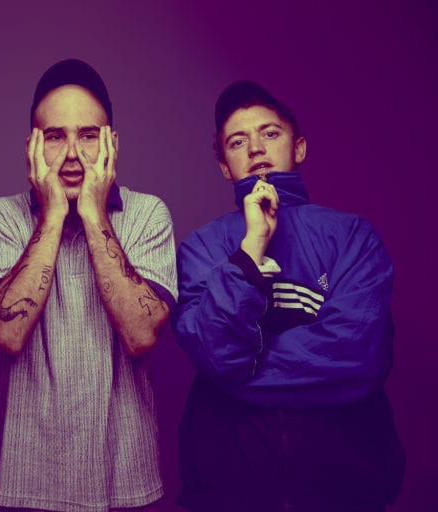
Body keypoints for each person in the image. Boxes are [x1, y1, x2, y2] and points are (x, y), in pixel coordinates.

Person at [172, 80, 405, 511]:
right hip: (228, 491)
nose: (255, 148)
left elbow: (358, 356)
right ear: (224, 166)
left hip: (347, 488)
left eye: (270, 133)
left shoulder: (353, 236)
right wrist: (250, 250)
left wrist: (242, 370)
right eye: (237, 142)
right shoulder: (202, 247)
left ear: (299, 147)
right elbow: (217, 352)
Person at [0, 59, 177, 511]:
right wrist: (54, 215)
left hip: (126, 481)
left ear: (112, 143)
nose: (72, 154)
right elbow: (8, 332)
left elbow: (141, 334)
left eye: (88, 135)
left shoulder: (148, 214)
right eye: (55, 136)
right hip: (24, 482)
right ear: (32, 146)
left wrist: (94, 214)